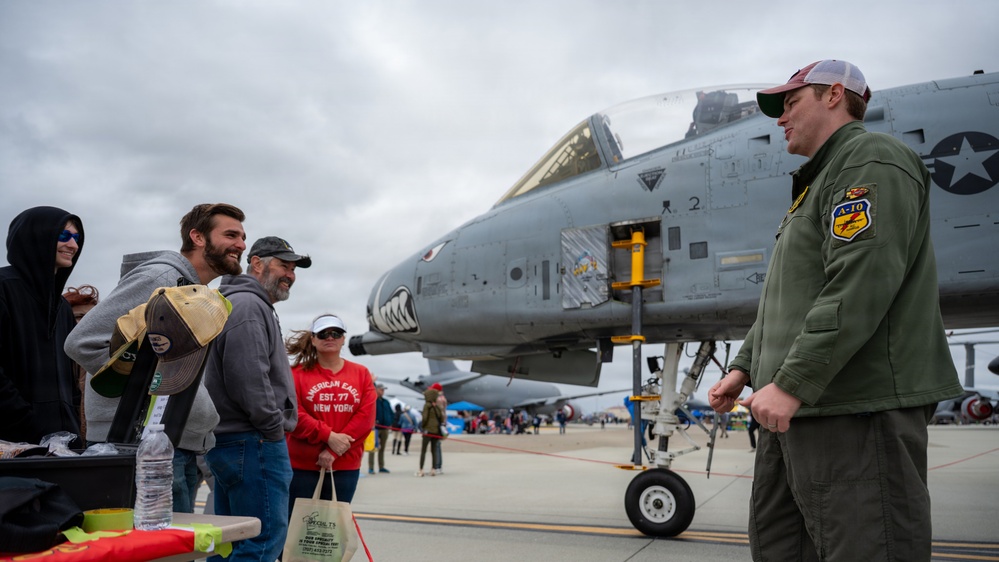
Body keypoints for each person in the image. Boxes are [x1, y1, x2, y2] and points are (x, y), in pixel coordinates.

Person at [707, 60, 963, 561]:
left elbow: (862, 281)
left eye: (791, 102)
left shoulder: (870, 161)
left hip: (853, 410)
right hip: (798, 413)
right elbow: (790, 297)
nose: (780, 118)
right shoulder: (814, 185)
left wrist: (793, 381)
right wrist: (744, 367)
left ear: (834, 95)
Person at [65, 203, 245, 513]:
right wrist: (146, 390)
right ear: (198, 237)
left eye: (243, 236)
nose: (241, 244)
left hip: (172, 447)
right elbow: (84, 342)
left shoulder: (194, 293)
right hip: (143, 447)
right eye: (231, 234)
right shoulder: (161, 278)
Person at [202, 236, 310, 562]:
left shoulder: (241, 302)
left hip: (233, 440)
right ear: (258, 263)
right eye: (283, 265)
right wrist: (273, 428)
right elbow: (248, 378)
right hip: (253, 441)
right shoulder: (249, 306)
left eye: (293, 268)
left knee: (229, 540)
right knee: (262, 540)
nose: (290, 274)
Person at [1, 207, 85, 446]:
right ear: (35, 236)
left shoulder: (62, 308)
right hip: (13, 445)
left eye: (76, 238)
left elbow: (71, 381)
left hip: (61, 444)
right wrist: (29, 423)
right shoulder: (4, 288)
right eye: (63, 236)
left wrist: (72, 428)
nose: (73, 245)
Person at [286, 314, 375, 508]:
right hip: (302, 465)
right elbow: (294, 415)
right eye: (323, 333)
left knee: (332, 531)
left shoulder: (361, 373)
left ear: (343, 339)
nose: (330, 337)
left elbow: (365, 419)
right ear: (313, 339)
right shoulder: (295, 374)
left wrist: (334, 450)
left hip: (345, 465)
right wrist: (328, 436)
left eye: (336, 333)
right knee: (298, 527)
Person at [63, 284, 100, 440]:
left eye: (92, 317)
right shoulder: (48, 361)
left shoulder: (101, 358)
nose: (86, 323)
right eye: (79, 317)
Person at [416, 383, 445, 477]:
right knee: (434, 451)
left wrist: (423, 427)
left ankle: (421, 470)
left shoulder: (427, 406)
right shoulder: (436, 406)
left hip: (427, 431)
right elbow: (441, 418)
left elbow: (424, 418)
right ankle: (433, 469)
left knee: (423, 451)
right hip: (436, 431)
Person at [368, 383, 393, 474]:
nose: (383, 391)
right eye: (381, 389)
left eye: (383, 390)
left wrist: (390, 422)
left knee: (382, 448)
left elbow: (390, 413)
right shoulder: (373, 401)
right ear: (376, 389)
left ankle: (381, 466)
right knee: (373, 448)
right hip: (375, 428)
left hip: (385, 428)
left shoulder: (386, 402)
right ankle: (371, 467)